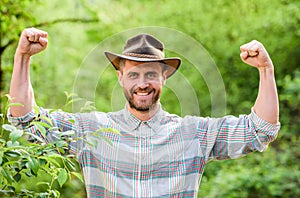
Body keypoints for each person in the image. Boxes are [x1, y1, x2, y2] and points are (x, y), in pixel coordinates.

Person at [8, 28, 280, 198]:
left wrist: (266, 70)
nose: (142, 83)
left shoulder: (194, 133)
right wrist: (22, 57)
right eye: (134, 74)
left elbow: (259, 130)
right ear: (120, 77)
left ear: (165, 77)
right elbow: (27, 122)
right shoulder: (91, 131)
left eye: (151, 74)